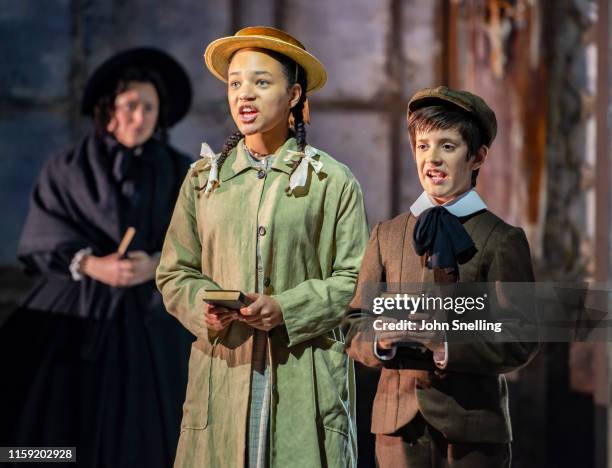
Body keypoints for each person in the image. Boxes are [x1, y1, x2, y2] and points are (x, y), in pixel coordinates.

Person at [156, 27, 369, 467]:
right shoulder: (203, 180)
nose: (244, 95)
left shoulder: (331, 181)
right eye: (235, 83)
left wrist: (286, 309)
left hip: (303, 374)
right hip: (224, 373)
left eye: (261, 82)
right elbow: (175, 272)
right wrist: (205, 307)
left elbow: (356, 281)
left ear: (293, 94)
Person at [0, 48, 194, 467]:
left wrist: (157, 263)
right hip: (79, 310)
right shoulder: (68, 167)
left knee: (155, 430)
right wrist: (91, 264)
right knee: (48, 430)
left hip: (153, 315)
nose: (138, 117)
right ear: (109, 110)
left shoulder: (183, 172)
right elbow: (43, 236)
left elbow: (205, 239)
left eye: (148, 107)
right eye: (130, 106)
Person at [345, 86, 539, 467]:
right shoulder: (387, 234)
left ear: (477, 156)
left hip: (472, 431)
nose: (431, 158)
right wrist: (379, 340)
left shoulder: (501, 240)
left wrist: (445, 343)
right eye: (422, 146)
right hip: (396, 429)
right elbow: (354, 323)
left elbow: (521, 337)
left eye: (447, 146)